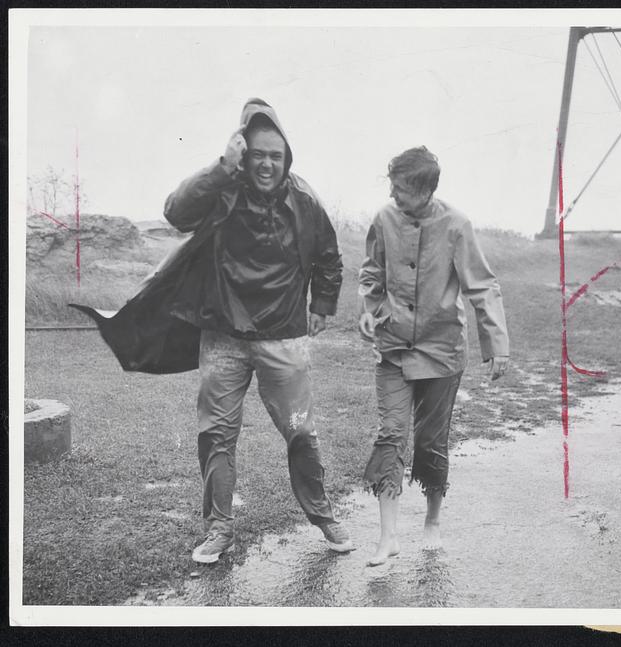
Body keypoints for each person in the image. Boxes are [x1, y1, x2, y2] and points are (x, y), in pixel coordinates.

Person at [73, 98, 352, 563]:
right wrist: (222, 167)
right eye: (257, 154)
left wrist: (322, 304)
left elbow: (329, 256)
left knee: (302, 433)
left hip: (283, 337)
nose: (266, 164)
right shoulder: (225, 187)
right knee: (216, 436)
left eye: (275, 156)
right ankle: (219, 528)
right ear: (243, 153)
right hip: (223, 337)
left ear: (288, 159)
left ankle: (324, 516)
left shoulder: (304, 201)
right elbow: (176, 213)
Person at [358, 146, 510, 566]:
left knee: (430, 442)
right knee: (390, 435)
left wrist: (496, 344)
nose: (393, 195)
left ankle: (433, 521)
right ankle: (388, 537)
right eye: (391, 185)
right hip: (391, 350)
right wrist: (371, 312)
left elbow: (482, 285)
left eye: (402, 188)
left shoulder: (457, 225)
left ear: (425, 190)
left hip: (442, 352)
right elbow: (371, 274)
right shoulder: (383, 219)